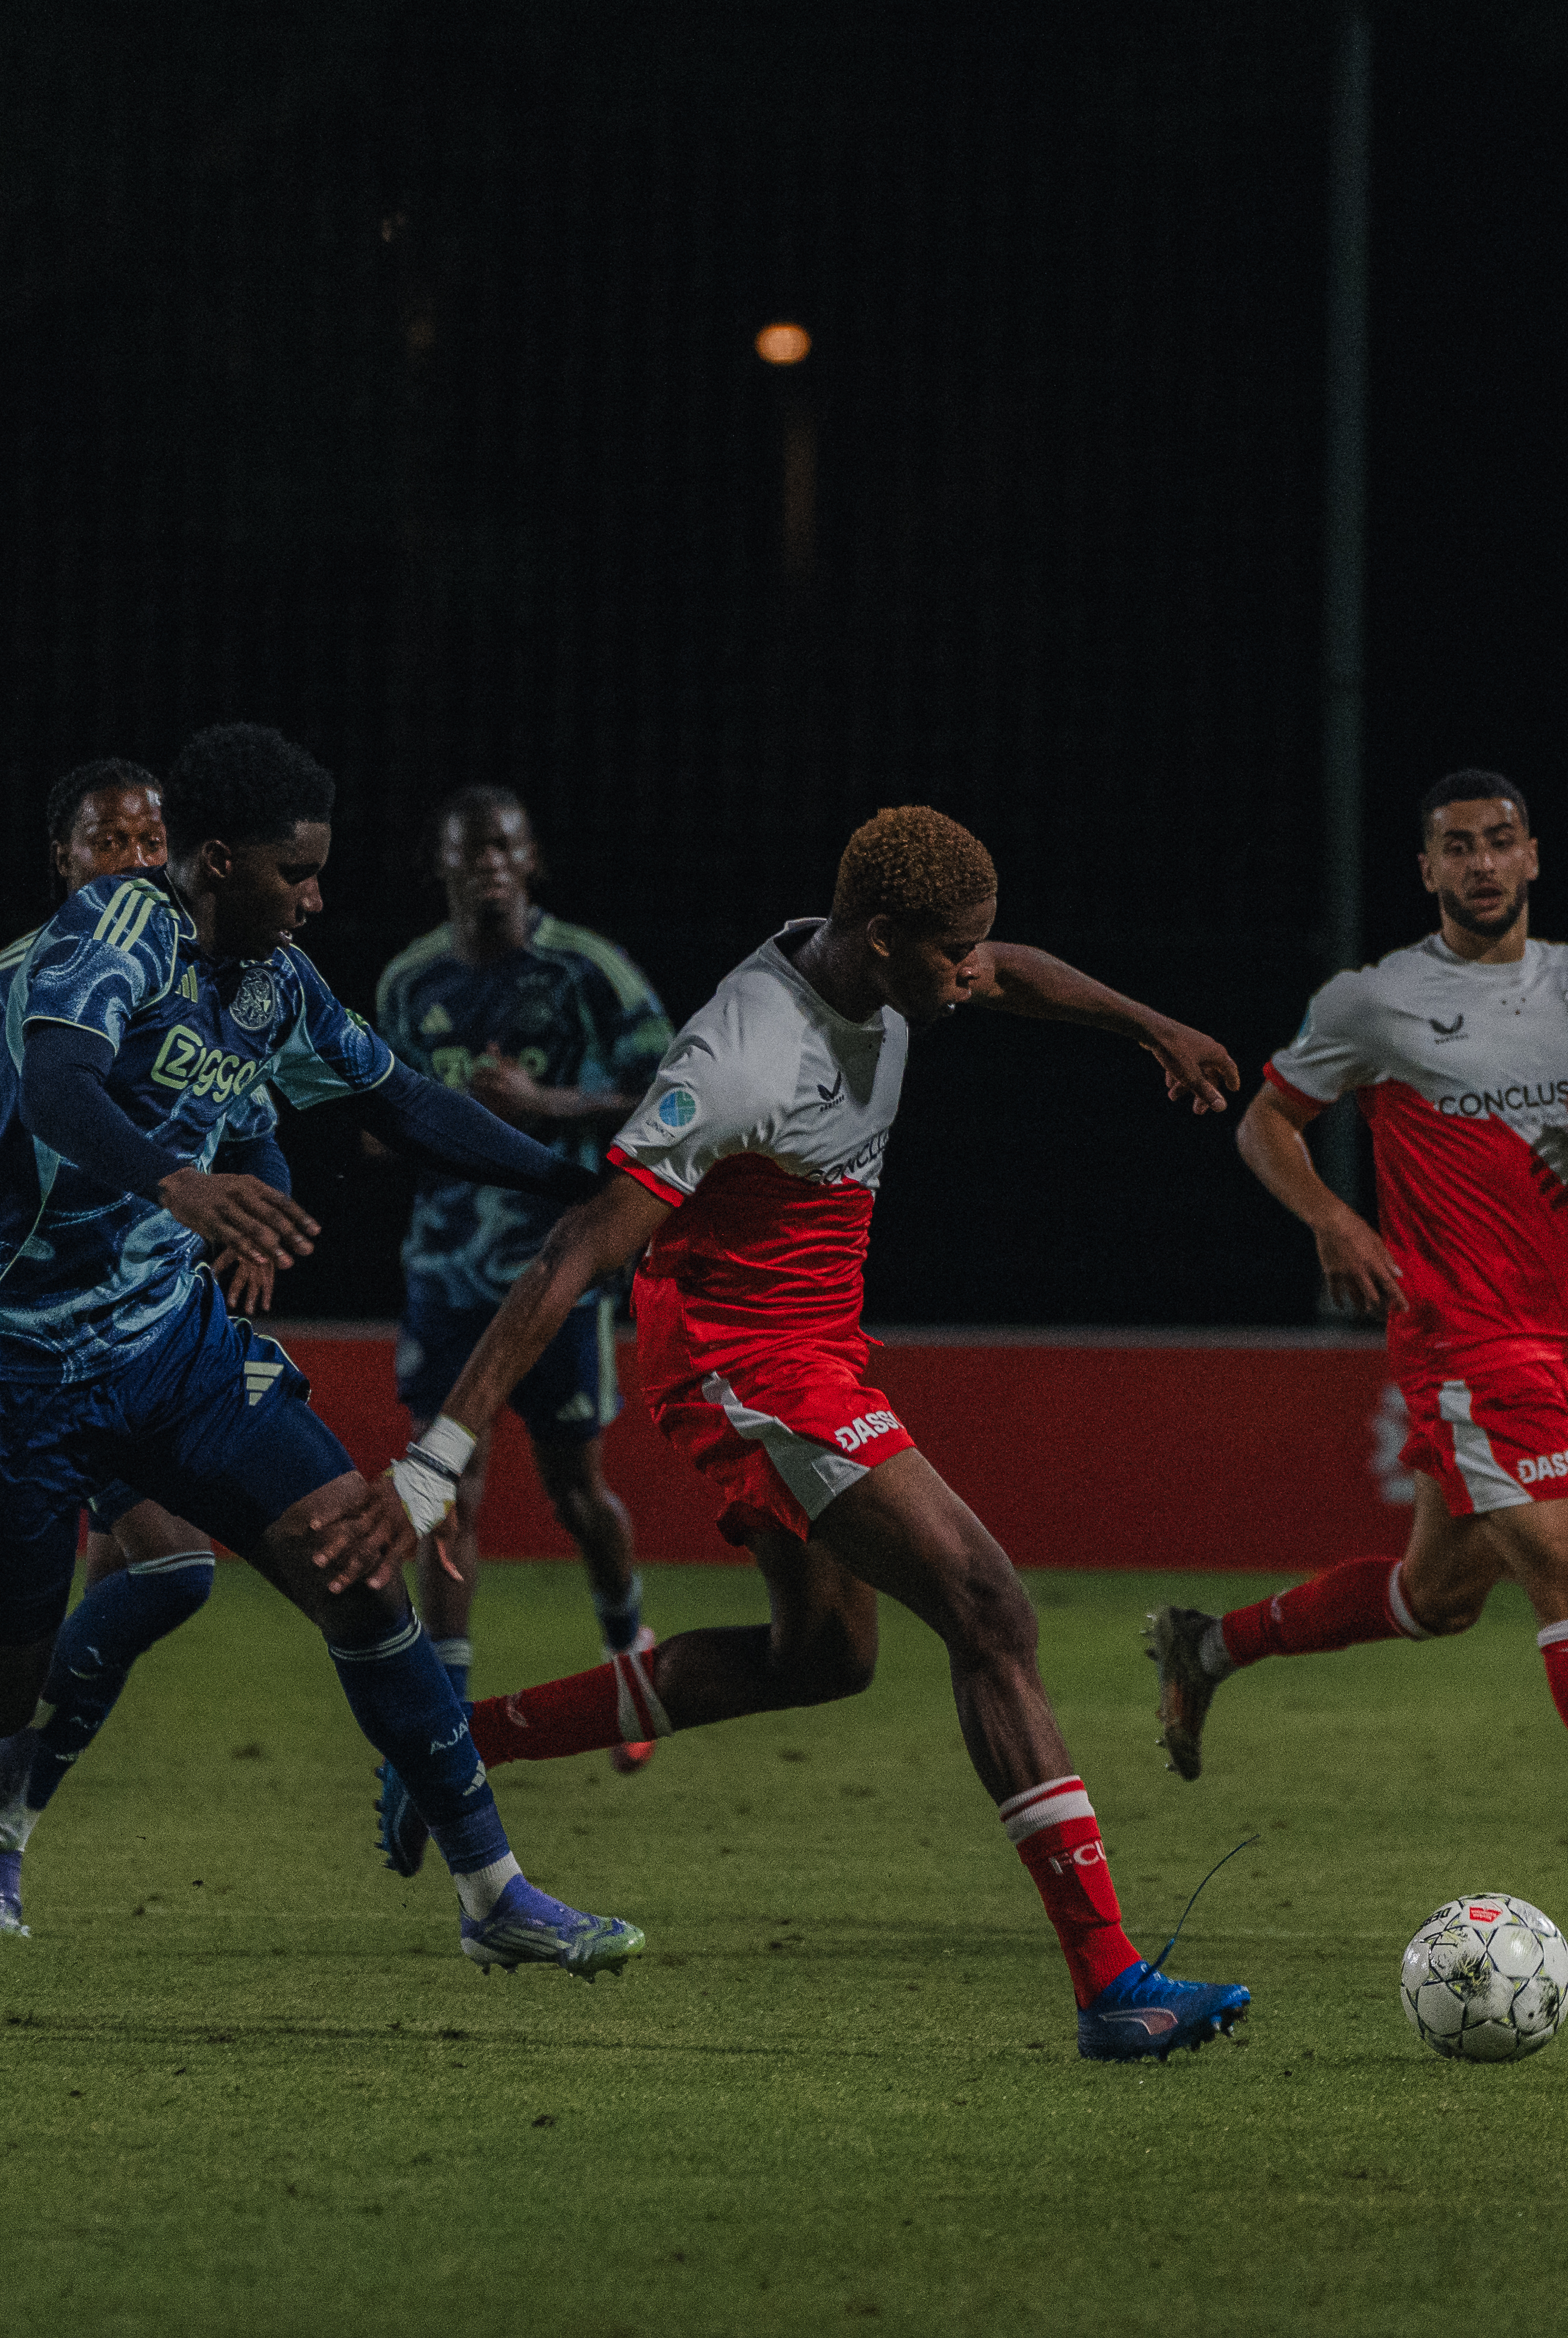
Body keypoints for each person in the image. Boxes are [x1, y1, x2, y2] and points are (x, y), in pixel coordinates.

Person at [0, 725, 642, 1977]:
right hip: (6, 1366)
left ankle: (493, 1891)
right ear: (220, 860)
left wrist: (587, 1187)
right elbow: (58, 1086)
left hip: (166, 1346)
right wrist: (173, 1180)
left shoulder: (275, 981)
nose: (315, 897)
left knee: (355, 1561)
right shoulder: (114, 931)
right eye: (296, 873)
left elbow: (401, 1100)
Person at [367, 806, 1257, 2063]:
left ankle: (452, 1746)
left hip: (812, 1344)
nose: (976, 973)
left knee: (823, 1656)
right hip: (747, 1364)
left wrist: (1148, 1025)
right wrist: (439, 1455)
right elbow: (578, 1247)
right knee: (991, 1609)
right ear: (885, 939)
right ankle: (1111, 1979)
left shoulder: (892, 964)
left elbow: (1020, 970)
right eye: (957, 955)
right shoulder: (741, 1055)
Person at [1144, 768, 1568, 1942]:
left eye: (1500, 842)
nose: (1481, 864)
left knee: (1438, 1595)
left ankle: (1206, 1644)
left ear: (1533, 856)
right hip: (1462, 1335)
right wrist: (1334, 1219)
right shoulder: (1377, 999)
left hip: (1537, 1331)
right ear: (1427, 870)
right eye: (1457, 847)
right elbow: (1264, 1121)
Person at [0, 757, 259, 1937]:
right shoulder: (1, 986)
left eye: (153, 837)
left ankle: (2, 1814)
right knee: (43, 1626)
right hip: (18, 1343)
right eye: (111, 840)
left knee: (171, 1569)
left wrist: (254, 1211)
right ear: (64, 858)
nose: (138, 857)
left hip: (139, 1330)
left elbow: (254, 1120)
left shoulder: (201, 976)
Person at [374, 785, 674, 1753]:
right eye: (470, 850)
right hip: (445, 1273)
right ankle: (447, 1717)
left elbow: (670, 1095)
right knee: (446, 1494)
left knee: (575, 1497)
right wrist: (431, 1117)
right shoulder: (409, 984)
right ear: (444, 865)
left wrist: (540, 1099)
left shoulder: (586, 970)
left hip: (555, 1273)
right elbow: (372, 1119)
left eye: (505, 846)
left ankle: (628, 1639)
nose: (489, 863)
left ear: (531, 858)